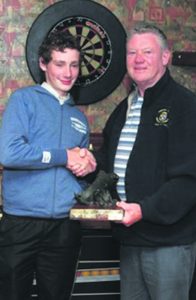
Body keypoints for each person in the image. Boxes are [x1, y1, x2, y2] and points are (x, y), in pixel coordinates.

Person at [75, 23, 196, 300]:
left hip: (168, 243)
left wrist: (144, 209)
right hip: (130, 238)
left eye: (147, 52)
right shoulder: (125, 107)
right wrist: (90, 162)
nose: (138, 59)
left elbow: (189, 181)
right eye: (132, 53)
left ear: (165, 57)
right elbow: (110, 158)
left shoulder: (185, 106)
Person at [0, 30, 96, 300]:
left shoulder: (79, 118)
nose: (68, 72)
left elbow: (76, 177)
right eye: (60, 64)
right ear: (44, 64)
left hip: (64, 228)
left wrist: (87, 170)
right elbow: (9, 154)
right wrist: (63, 156)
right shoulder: (24, 100)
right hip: (21, 224)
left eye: (74, 65)